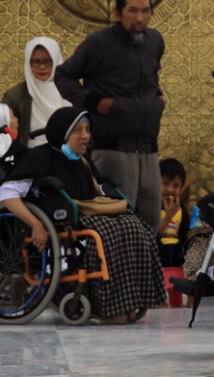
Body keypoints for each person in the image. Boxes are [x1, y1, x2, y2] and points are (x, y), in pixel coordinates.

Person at [0, 107, 168, 323]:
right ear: (63, 132)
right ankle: (108, 306)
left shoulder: (81, 159)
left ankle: (136, 298)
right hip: (61, 216)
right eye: (78, 130)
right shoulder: (39, 156)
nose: (86, 135)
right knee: (108, 233)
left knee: (136, 225)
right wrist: (35, 224)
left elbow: (99, 188)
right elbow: (7, 194)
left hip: (87, 211)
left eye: (88, 129)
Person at [55, 0, 166, 234]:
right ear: (118, 13)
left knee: (149, 218)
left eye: (146, 11)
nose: (140, 18)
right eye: (133, 11)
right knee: (120, 219)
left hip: (147, 146)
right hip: (113, 147)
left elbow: (151, 76)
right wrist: (94, 101)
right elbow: (63, 77)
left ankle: (144, 273)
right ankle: (115, 273)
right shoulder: (99, 43)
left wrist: (157, 98)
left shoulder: (155, 40)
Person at [4, 37, 69, 148]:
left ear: (56, 60)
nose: (42, 67)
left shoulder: (70, 91)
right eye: (36, 62)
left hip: (67, 157)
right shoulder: (15, 96)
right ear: (28, 63)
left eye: (48, 61)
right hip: (29, 159)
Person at [156, 157, 202, 268]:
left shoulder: (181, 210)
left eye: (176, 185)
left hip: (177, 253)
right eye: (165, 183)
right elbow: (152, 235)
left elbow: (184, 234)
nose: (170, 189)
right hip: (158, 253)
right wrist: (169, 215)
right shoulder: (152, 208)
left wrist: (197, 231)